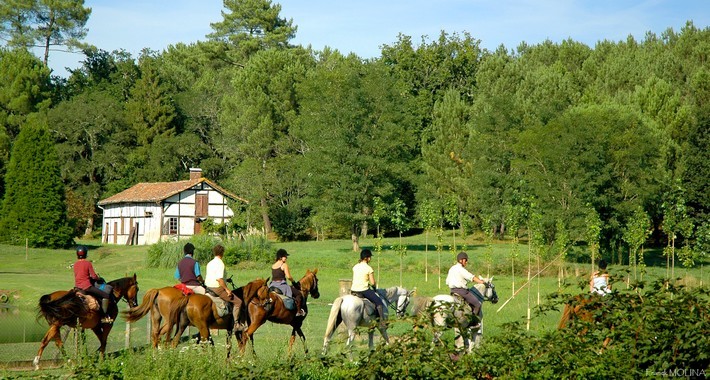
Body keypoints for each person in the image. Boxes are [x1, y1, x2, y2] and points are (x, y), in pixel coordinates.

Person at [204, 244, 245, 331]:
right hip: (217, 288)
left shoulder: (210, 263)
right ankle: (236, 324)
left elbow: (214, 276)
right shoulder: (220, 263)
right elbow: (219, 279)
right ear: (222, 253)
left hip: (208, 287)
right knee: (238, 302)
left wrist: (226, 279)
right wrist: (227, 289)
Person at [73, 246, 114, 324]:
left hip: (77, 288)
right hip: (87, 287)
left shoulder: (75, 264)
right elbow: (93, 276)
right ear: (85, 254)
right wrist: (98, 278)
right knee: (106, 296)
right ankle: (104, 316)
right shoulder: (88, 263)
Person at [446, 251, 486, 329]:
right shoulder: (461, 269)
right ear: (461, 260)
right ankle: (473, 323)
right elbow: (471, 277)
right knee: (477, 304)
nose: (466, 262)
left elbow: (447, 282)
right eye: (466, 260)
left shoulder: (452, 268)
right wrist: (482, 282)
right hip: (462, 292)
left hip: (452, 291)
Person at [351, 249, 386, 329]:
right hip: (363, 290)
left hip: (353, 290)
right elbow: (373, 282)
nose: (370, 259)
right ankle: (382, 322)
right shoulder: (369, 268)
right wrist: (374, 288)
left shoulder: (355, 267)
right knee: (379, 301)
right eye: (370, 257)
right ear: (367, 258)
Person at [269, 249, 305, 317]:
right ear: (280, 257)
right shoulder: (284, 265)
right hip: (281, 285)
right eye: (285, 256)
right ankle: (299, 311)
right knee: (298, 294)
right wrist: (294, 283)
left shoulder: (273, 265)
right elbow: (288, 277)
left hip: (272, 285)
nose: (286, 258)